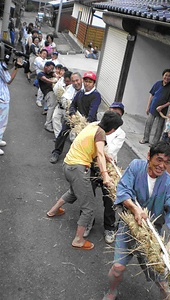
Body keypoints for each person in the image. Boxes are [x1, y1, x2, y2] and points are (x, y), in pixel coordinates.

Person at [102, 141, 170, 300]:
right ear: (149, 156)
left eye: (167, 162)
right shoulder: (136, 167)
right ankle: (112, 292)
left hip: (151, 235)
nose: (162, 166)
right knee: (118, 267)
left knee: (163, 280)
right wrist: (135, 209)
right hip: (128, 227)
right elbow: (123, 189)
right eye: (159, 160)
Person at [46, 111, 123, 250]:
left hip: (68, 165)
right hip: (77, 168)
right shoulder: (101, 133)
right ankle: (78, 239)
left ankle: (53, 211)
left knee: (74, 191)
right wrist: (105, 175)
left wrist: (106, 155)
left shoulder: (93, 126)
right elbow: (99, 154)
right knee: (89, 207)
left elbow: (98, 149)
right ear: (112, 129)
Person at [85, 102, 126, 244]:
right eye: (113, 111)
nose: (114, 115)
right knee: (88, 194)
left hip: (109, 167)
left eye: (118, 114)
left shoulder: (120, 133)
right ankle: (86, 222)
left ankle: (109, 227)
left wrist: (98, 149)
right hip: (92, 164)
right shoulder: (96, 124)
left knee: (109, 198)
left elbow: (110, 152)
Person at [49, 71, 101, 164]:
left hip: (87, 122)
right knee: (63, 132)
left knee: (85, 141)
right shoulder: (80, 92)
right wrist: (72, 113)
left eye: (90, 82)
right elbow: (73, 104)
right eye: (85, 81)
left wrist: (84, 123)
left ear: (94, 83)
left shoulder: (96, 96)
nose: (87, 84)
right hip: (75, 117)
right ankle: (56, 152)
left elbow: (92, 112)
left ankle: (85, 161)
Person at [139, 69, 170, 146]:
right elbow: (151, 95)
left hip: (162, 111)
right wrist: (148, 107)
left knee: (159, 127)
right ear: (163, 76)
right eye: (166, 75)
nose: (167, 77)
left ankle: (154, 142)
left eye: (169, 76)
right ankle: (145, 138)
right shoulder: (157, 83)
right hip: (153, 108)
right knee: (148, 123)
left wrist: (162, 107)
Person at [0, 46, 20, 155]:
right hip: (1, 98)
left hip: (2, 97)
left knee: (2, 122)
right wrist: (16, 68)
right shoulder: (0, 66)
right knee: (1, 122)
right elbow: (8, 80)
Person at [37, 61, 57, 132]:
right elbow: (45, 80)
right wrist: (54, 81)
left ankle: (51, 123)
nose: (51, 70)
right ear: (46, 66)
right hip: (48, 93)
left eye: (52, 69)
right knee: (51, 108)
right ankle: (48, 124)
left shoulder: (50, 73)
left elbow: (56, 75)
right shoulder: (40, 74)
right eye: (50, 68)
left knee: (53, 108)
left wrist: (56, 76)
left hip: (53, 93)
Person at [52, 70, 72, 138]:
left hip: (68, 109)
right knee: (55, 118)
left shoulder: (74, 87)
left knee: (69, 124)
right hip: (60, 106)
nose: (67, 83)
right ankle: (58, 137)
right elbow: (55, 89)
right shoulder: (61, 82)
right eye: (65, 81)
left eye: (68, 81)